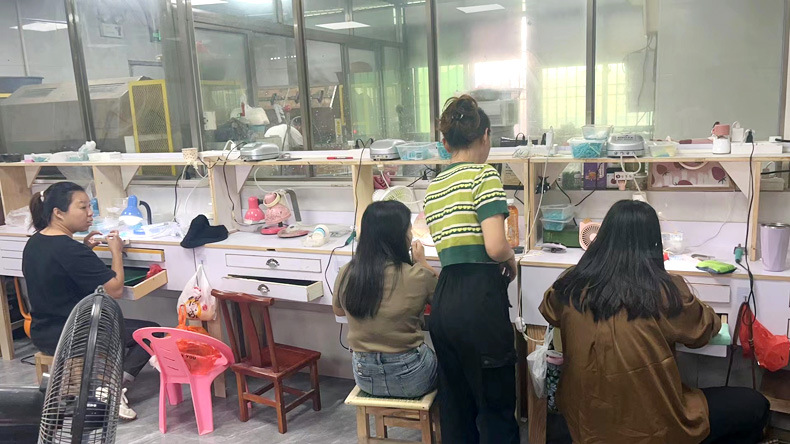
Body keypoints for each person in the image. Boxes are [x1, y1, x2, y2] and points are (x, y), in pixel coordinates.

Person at [540, 200, 770, 444]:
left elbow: (548, 310)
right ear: (653, 243)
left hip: (586, 424)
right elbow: (704, 331)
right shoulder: (663, 291)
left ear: (603, 237)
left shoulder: (570, 285)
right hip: (652, 427)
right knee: (756, 406)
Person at [423, 95, 519, 443]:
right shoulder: (484, 176)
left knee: (457, 408)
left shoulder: (434, 188)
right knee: (495, 408)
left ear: (445, 142)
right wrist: (510, 259)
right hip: (479, 302)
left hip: (445, 300)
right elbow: (495, 246)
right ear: (486, 135)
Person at [22, 182, 160, 420]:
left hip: (43, 331)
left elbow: (60, 272)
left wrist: (85, 248)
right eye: (83, 207)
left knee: (124, 327)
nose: (90, 213)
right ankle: (110, 388)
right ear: (58, 212)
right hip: (77, 335)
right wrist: (116, 251)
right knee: (152, 333)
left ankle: (100, 385)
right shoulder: (71, 250)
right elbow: (115, 289)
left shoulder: (35, 242)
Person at [333, 201, 439, 398]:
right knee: (449, 363)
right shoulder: (418, 275)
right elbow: (445, 302)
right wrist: (423, 263)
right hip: (413, 378)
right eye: (409, 230)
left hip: (365, 378)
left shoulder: (347, 272)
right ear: (400, 237)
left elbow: (339, 311)